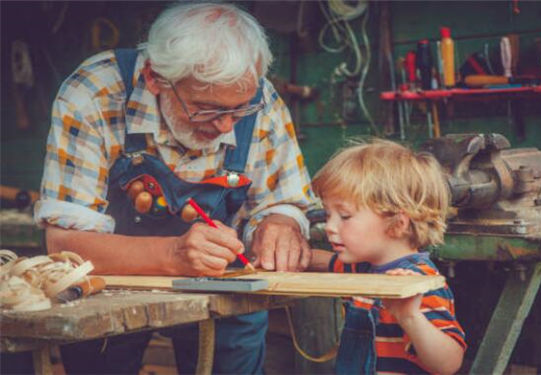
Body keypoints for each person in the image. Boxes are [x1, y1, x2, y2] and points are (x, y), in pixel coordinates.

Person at [34, 2, 318, 374]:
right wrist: (175, 254)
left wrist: (282, 223)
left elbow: (285, 201)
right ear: (155, 77)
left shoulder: (256, 98)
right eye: (206, 109)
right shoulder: (94, 93)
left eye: (240, 110)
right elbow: (65, 245)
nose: (226, 126)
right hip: (112, 290)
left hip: (224, 290)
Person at [309, 139, 466, 374]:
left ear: (397, 223)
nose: (329, 227)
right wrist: (291, 256)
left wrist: (410, 316)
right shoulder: (360, 267)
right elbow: (321, 261)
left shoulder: (419, 282)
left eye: (344, 216)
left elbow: (449, 364)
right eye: (327, 214)